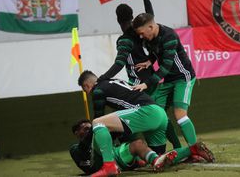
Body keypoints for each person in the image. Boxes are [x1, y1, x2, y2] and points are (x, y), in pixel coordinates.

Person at [98, 0, 182, 151]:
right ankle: (178, 145)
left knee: (127, 115)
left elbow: (119, 63)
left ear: (118, 20)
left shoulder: (125, 40)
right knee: (161, 115)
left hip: (139, 84)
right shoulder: (139, 32)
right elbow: (149, 11)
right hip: (152, 79)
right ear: (131, 17)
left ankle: (129, 149)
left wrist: (103, 78)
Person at [78, 70, 214, 176]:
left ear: (87, 85)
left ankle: (109, 166)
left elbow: (99, 117)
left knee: (97, 123)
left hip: (145, 112)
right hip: (159, 113)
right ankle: (192, 149)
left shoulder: (98, 90)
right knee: (160, 159)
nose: (89, 93)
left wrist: (84, 145)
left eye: (86, 90)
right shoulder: (113, 82)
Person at [131, 13, 201, 153]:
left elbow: (165, 66)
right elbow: (156, 52)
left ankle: (196, 150)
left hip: (183, 77)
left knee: (179, 115)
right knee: (159, 113)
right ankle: (177, 148)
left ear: (151, 27)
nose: (141, 37)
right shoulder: (150, 37)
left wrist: (146, 84)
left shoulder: (169, 36)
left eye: (142, 33)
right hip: (169, 80)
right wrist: (150, 60)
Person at [69, 119, 168, 175]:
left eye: (90, 129)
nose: (89, 130)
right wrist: (93, 131)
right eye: (85, 129)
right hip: (100, 164)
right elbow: (84, 146)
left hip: (115, 156)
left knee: (137, 143)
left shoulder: (100, 137)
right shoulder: (75, 149)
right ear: (77, 133)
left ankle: (156, 160)